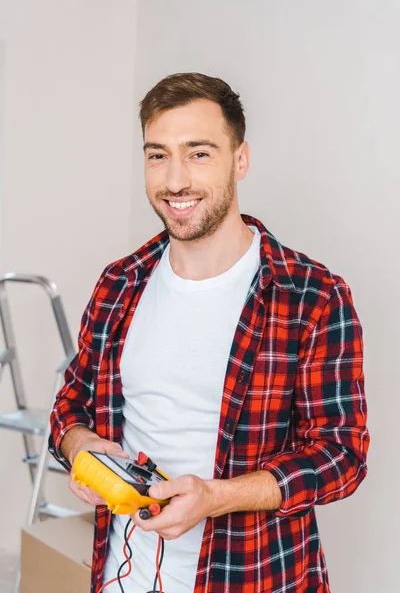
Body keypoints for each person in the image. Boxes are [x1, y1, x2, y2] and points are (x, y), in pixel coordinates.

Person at [49, 72, 369, 593]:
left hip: (250, 578)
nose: (175, 180)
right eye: (158, 155)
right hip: (120, 577)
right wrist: (83, 447)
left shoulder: (312, 297)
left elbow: (342, 456)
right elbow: (72, 403)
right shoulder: (119, 283)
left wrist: (217, 497)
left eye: (198, 153)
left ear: (239, 160)